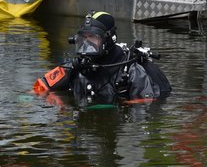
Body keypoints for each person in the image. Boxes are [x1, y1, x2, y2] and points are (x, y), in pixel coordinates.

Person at [33, 11, 171, 107]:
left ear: (108, 39)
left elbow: (146, 104)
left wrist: (107, 108)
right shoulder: (74, 67)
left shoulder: (130, 70)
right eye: (83, 39)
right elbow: (38, 89)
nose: (87, 45)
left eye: (92, 38)